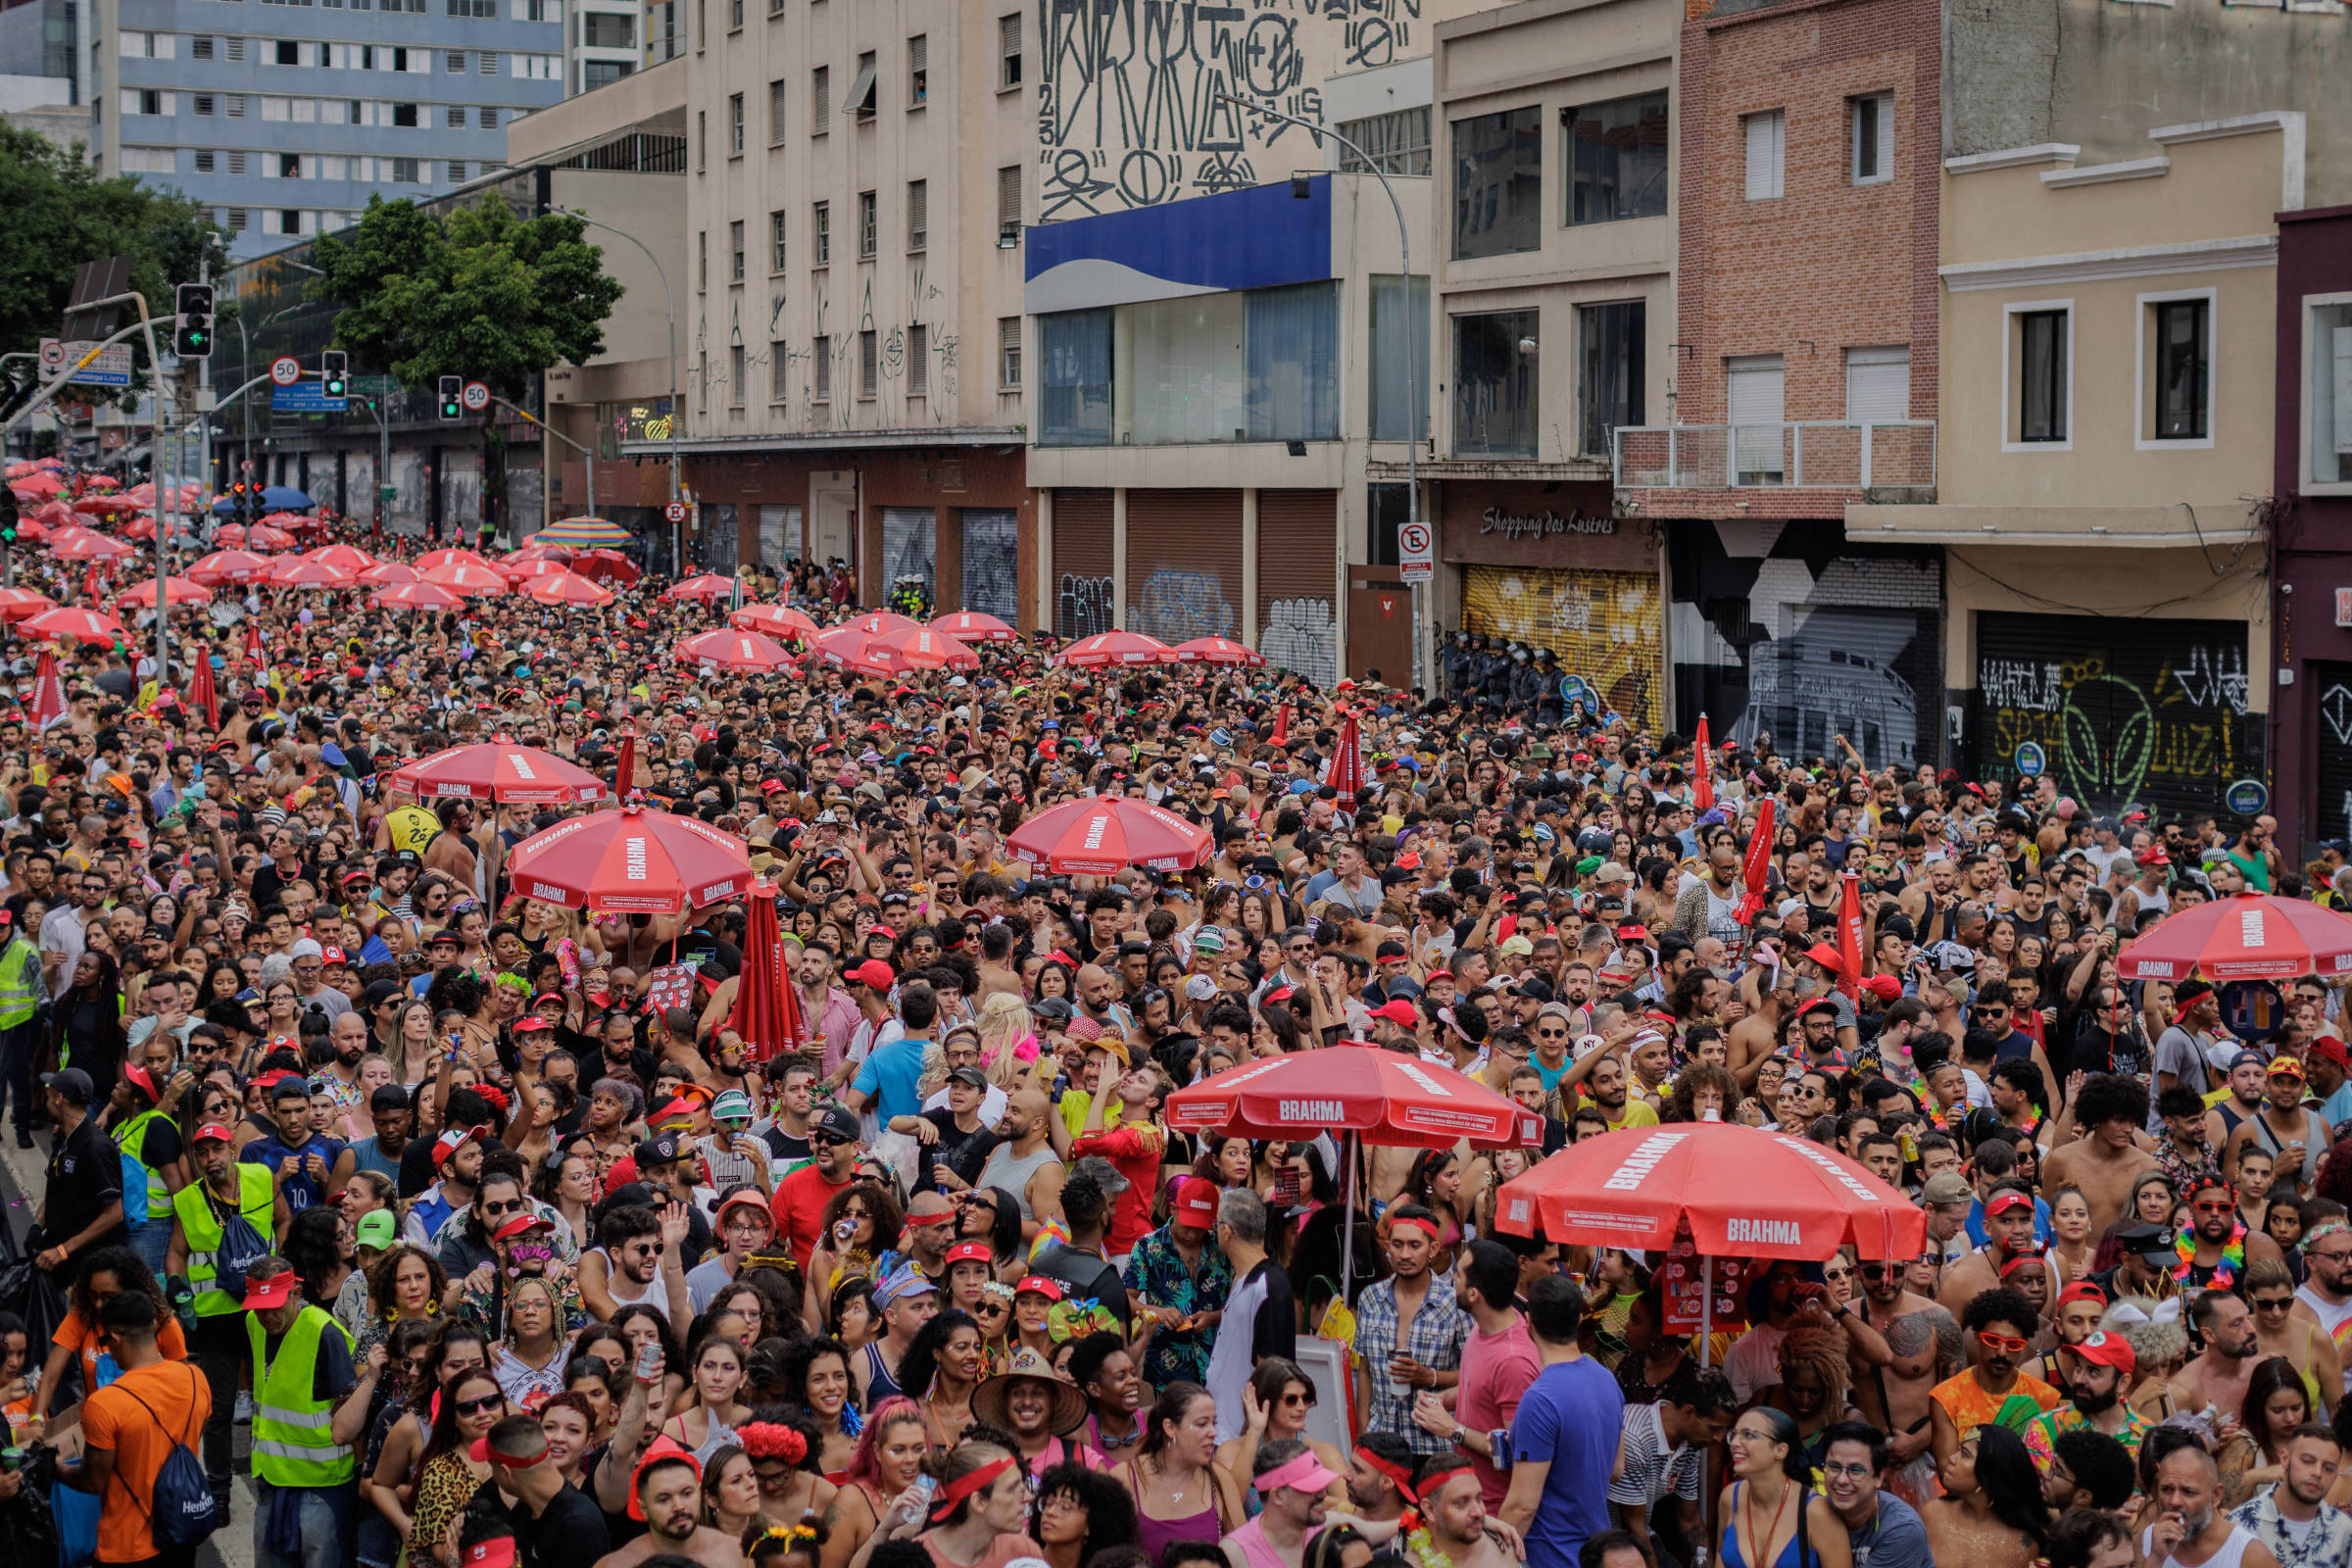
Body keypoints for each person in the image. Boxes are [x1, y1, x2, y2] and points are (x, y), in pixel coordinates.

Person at [242, 1255, 378, 1568]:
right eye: (259, 1307)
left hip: (322, 1489)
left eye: (275, 1305)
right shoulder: (254, 1323)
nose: (267, 1315)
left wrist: (358, 1478)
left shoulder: (324, 1334)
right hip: (272, 1482)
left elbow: (349, 1410)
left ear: (295, 1294)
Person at [73, 1288, 213, 1568]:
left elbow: (93, 1481)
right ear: (152, 1326)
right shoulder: (196, 1379)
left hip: (126, 1547)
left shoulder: (105, 1403)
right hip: (181, 1532)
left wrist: (56, 1469)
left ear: (115, 1338)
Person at [1502, 1274, 1626, 1568]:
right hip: (1595, 1550)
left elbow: (1522, 1506)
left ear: (1528, 1321)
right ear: (1579, 1319)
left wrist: (1492, 1556)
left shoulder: (1540, 1398)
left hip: (1552, 1554)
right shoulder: (1606, 1379)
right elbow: (1616, 1469)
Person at [1604, 1365, 1737, 1567]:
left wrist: (1703, 1560)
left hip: (1638, 1531)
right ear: (1689, 1412)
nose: (1719, 1439)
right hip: (1604, 1536)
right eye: (1714, 1429)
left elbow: (1689, 1518)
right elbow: (1633, 1525)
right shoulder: (1635, 1438)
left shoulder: (1691, 1442)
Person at [1716, 1406, 1852, 1568]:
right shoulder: (1730, 1497)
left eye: (1748, 1435)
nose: (1734, 1443)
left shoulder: (1816, 1512)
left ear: (1780, 1451)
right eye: (1734, 1435)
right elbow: (1720, 1558)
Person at [1207, 1188, 1294, 1443]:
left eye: (1217, 1224)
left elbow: (1270, 1369)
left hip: (1242, 1438)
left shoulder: (1268, 1285)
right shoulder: (1246, 1279)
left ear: (1227, 1231)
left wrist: (1251, 1434)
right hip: (1224, 1432)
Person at [2228, 1422, 2352, 1568]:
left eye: (2328, 1468)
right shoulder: (2239, 1525)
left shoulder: (2344, 1530)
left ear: (2335, 1475)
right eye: (2307, 1461)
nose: (2317, 1473)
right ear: (2285, 1459)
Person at [2141, 1443, 2280, 1568]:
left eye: (2188, 1492)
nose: (2174, 1501)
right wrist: (2156, 1559)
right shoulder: (2150, 1539)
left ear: (2216, 1496)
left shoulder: (2249, 1554)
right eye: (2166, 1490)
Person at [1817, 1421, 1934, 1568]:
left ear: (1879, 1477)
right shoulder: (1815, 1511)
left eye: (1856, 1470)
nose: (1842, 1479)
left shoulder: (1902, 1529)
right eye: (1834, 1467)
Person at [1220, 1438, 1337, 1568]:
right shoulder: (1236, 1553)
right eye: (1310, 1487)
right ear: (1277, 1496)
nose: (1323, 1495)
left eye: (1322, 1485)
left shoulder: (1333, 1528)